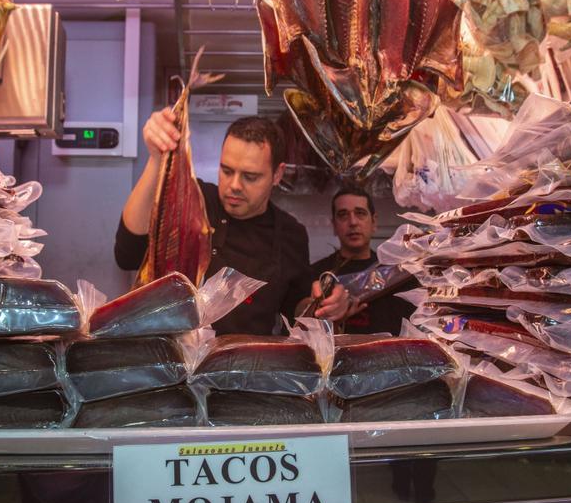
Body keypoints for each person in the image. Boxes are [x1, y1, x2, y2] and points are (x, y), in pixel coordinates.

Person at [114, 110, 353, 334]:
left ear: (277, 174)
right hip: (173, 362)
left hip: (245, 369)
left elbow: (296, 309)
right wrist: (156, 159)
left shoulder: (291, 233)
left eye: (250, 177)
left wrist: (324, 306)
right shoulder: (192, 199)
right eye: (226, 171)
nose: (235, 185)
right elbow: (127, 254)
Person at [309, 185, 418, 335]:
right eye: (343, 215)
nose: (353, 222)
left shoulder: (399, 275)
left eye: (360, 213)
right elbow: (302, 318)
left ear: (374, 222)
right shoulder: (316, 274)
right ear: (334, 225)